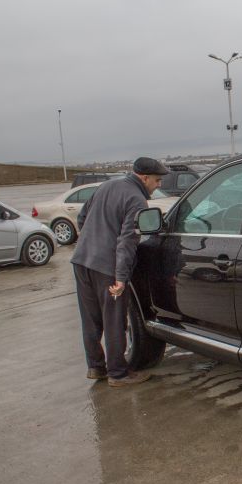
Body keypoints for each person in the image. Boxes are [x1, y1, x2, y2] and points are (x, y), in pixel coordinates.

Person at [71, 157, 168, 386]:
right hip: (107, 269)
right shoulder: (136, 199)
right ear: (143, 178)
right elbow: (127, 241)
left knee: (90, 320)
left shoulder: (106, 186)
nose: (159, 185)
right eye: (157, 180)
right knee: (114, 320)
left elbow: (82, 218)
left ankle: (95, 367)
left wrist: (91, 243)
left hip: (81, 262)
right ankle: (118, 374)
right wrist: (121, 278)